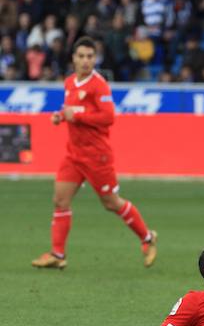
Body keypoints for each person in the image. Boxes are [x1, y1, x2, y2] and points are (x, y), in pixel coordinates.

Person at [31, 37, 157, 270]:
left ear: (95, 59)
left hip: (97, 156)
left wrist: (75, 116)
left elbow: (108, 117)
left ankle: (147, 238)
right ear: (73, 59)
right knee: (60, 200)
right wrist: (61, 115)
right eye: (81, 56)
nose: (86, 61)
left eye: (90, 56)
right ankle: (57, 254)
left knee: (111, 203)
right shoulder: (69, 82)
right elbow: (72, 109)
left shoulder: (99, 85)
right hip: (73, 155)